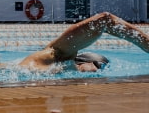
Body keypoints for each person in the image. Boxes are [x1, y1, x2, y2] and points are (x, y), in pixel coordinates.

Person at [19, 12, 149, 72]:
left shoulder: (62, 65)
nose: (94, 70)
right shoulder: (60, 53)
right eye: (97, 66)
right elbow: (105, 19)